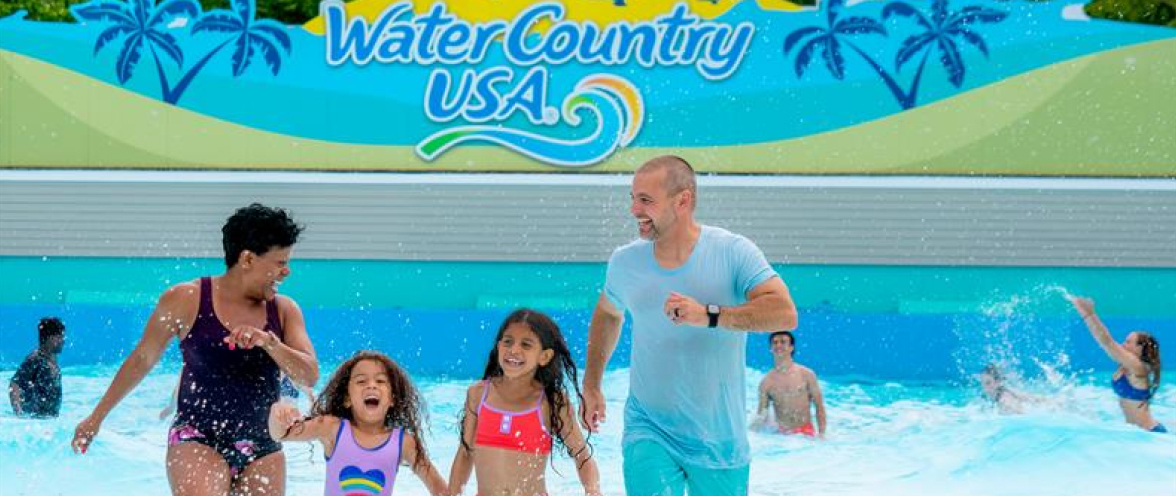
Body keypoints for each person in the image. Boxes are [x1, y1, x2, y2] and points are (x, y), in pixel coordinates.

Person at [580, 156, 798, 496]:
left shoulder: (732, 252)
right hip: (648, 426)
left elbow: (784, 312)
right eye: (632, 198)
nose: (634, 209)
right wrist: (592, 383)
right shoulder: (625, 262)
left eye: (646, 200)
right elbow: (609, 313)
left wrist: (709, 316)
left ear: (682, 201)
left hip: (718, 438)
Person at [71, 203, 320, 496]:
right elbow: (142, 359)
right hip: (197, 437)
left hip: (263, 445)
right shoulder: (186, 299)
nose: (287, 271)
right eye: (280, 262)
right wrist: (96, 417)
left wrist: (269, 342)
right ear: (248, 259)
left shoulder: (284, 310)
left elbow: (308, 375)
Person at [449, 309, 602, 496]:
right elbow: (465, 453)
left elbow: (582, 456)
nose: (514, 350)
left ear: (544, 357)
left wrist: (593, 491)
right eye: (508, 342)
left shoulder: (551, 401)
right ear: (498, 347)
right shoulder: (479, 394)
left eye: (526, 345)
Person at [268, 351, 447, 496]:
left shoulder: (403, 442)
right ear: (347, 399)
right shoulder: (332, 428)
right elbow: (280, 435)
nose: (371, 386)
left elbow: (439, 490)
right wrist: (277, 415)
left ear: (392, 399)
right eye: (361, 381)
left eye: (381, 381)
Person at [1069, 296, 1165, 433]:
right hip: (1137, 432)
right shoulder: (1128, 366)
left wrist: (1089, 314)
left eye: (1128, 342)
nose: (1122, 345)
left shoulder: (1138, 367)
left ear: (1139, 348)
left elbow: (1107, 342)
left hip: (1150, 432)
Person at [752, 331, 826, 438]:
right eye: (775, 342)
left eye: (783, 342)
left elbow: (819, 406)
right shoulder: (766, 383)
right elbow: (762, 415)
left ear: (791, 347)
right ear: (771, 348)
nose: (778, 345)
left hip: (805, 432)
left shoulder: (806, 374)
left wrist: (822, 434)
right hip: (782, 436)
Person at [8, 317, 65, 418]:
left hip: (50, 420)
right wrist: (19, 413)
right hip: (35, 421)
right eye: (60, 337)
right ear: (50, 338)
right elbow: (14, 384)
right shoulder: (35, 359)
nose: (63, 341)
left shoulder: (52, 358)